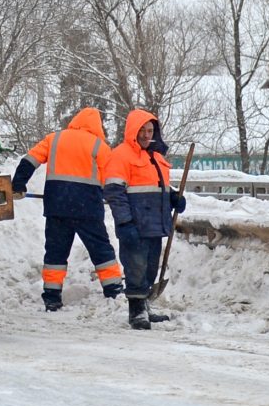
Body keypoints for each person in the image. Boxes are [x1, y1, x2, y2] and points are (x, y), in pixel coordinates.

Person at [11, 107, 124, 311]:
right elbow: (112, 177)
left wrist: (18, 184)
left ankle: (52, 296)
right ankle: (114, 290)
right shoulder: (100, 145)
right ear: (97, 126)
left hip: (58, 206)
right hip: (88, 208)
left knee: (55, 252)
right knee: (101, 250)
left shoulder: (54, 139)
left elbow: (29, 160)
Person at [104, 109, 186, 331]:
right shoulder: (121, 156)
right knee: (136, 267)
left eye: (150, 130)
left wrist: (173, 197)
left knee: (150, 267)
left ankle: (145, 304)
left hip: (154, 224)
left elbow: (157, 187)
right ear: (133, 131)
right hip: (135, 224)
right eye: (142, 130)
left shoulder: (156, 157)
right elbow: (114, 192)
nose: (146, 134)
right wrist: (124, 222)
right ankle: (136, 311)